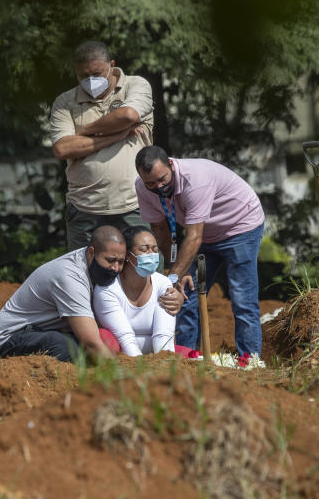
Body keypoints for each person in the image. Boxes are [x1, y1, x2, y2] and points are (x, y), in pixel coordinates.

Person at [134, 145, 265, 366]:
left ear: (171, 166)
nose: (158, 187)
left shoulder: (196, 180)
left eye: (162, 179)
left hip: (240, 226)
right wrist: (177, 270)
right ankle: (187, 359)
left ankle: (250, 361)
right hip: (204, 235)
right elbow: (160, 230)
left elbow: (194, 237)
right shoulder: (143, 188)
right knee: (185, 296)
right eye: (151, 183)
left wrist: (172, 278)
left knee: (242, 298)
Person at [49, 41, 154, 250]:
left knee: (142, 273)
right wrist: (117, 135)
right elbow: (62, 149)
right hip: (84, 208)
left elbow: (127, 115)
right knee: (83, 277)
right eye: (83, 76)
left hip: (134, 206)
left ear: (111, 65)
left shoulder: (136, 85)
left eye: (96, 74)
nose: (90, 81)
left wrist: (83, 131)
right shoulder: (65, 102)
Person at [0, 226, 129, 362]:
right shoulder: (70, 277)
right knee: (67, 348)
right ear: (91, 253)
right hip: (7, 339)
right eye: (110, 260)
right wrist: (119, 375)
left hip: (43, 330)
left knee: (105, 340)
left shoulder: (89, 262)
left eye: (121, 262)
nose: (115, 268)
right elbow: (91, 343)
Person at [94, 225, 197, 358]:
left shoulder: (163, 283)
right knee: (105, 339)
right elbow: (124, 337)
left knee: (191, 355)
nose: (151, 254)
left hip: (154, 350)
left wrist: (164, 364)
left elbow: (163, 335)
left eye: (154, 250)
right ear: (128, 256)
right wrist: (139, 369)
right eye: (144, 249)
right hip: (122, 352)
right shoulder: (107, 290)